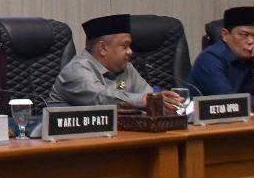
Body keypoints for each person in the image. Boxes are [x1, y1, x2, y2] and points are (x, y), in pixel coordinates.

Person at [49, 14, 184, 110]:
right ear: (103, 48)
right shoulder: (77, 70)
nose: (130, 51)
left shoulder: (125, 68)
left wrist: (164, 103)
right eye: (125, 46)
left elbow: (147, 96)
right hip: (66, 139)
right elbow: (102, 99)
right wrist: (146, 100)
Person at [187, 6, 254, 96]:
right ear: (225, 35)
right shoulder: (209, 59)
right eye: (244, 35)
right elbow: (229, 100)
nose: (252, 41)